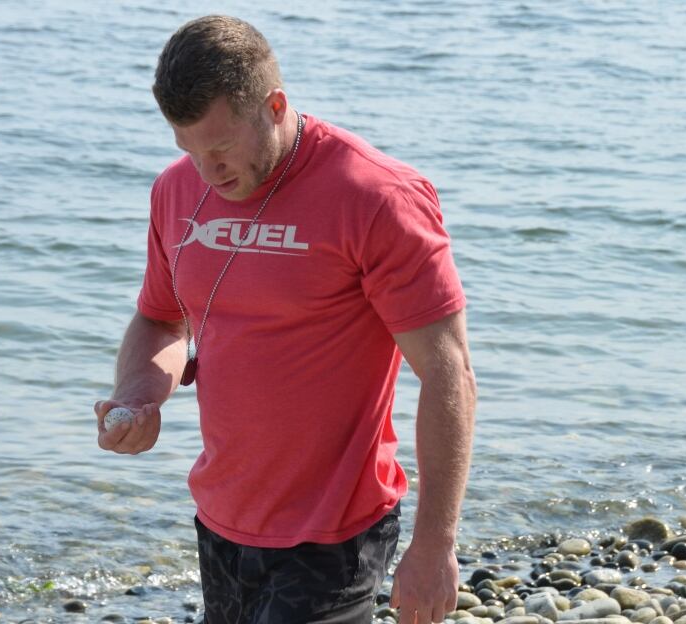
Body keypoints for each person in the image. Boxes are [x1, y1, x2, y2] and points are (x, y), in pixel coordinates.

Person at [95, 14, 476, 624]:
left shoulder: (376, 196)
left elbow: (448, 371)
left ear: (275, 105)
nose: (206, 171)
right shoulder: (174, 191)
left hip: (335, 534)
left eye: (220, 148)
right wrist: (138, 397)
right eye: (187, 148)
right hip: (222, 519)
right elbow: (162, 320)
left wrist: (435, 545)